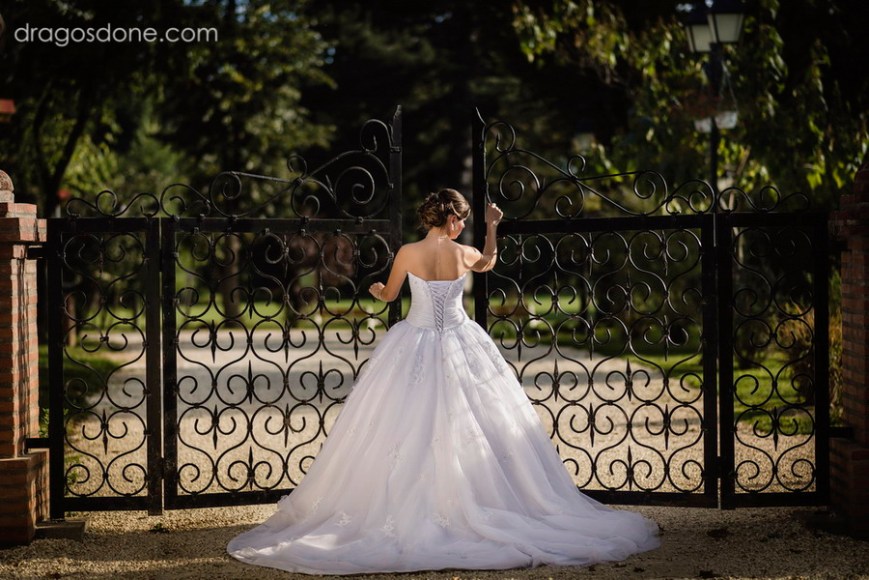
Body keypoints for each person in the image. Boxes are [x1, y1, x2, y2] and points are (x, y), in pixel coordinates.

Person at [227, 188, 660, 575]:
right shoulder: (464, 252)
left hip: (412, 343)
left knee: (400, 426)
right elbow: (489, 262)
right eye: (463, 219)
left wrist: (378, 289)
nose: (464, 225)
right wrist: (493, 228)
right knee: (474, 424)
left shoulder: (408, 253)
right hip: (460, 340)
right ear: (449, 219)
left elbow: (391, 296)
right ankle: (478, 499)